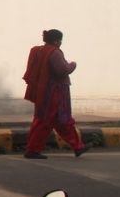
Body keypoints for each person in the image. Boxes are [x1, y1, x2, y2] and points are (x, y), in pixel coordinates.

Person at [22, 29, 89, 159]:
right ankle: (32, 150)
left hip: (42, 92)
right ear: (57, 41)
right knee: (48, 120)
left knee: (59, 120)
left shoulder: (38, 51)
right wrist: (73, 65)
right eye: (60, 41)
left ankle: (78, 146)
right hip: (54, 93)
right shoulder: (54, 52)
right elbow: (62, 70)